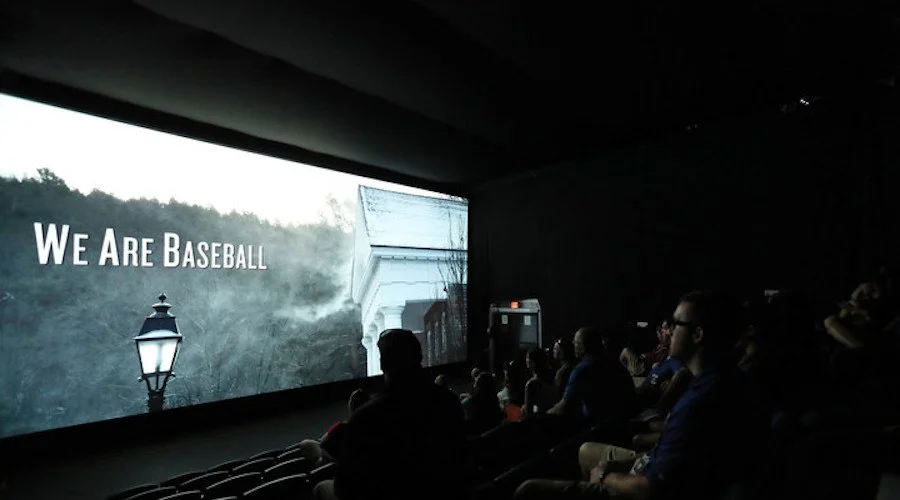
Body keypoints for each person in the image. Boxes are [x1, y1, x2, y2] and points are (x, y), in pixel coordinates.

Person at [516, 291, 765, 500]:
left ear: (698, 334)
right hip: (652, 465)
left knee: (528, 489)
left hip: (643, 486)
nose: (666, 331)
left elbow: (651, 488)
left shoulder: (701, 400)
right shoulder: (721, 382)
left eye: (676, 324)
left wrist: (606, 476)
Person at [315, 329, 467, 500]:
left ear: (382, 364)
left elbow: (346, 486)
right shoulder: (449, 401)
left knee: (321, 487)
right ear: (420, 357)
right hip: (443, 490)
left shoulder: (366, 417)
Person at [547, 327, 638, 425]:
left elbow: (563, 407)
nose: (573, 344)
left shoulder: (582, 369)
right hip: (623, 424)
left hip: (597, 428)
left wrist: (544, 416)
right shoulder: (615, 364)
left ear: (583, 347)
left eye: (575, 342)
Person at [297, 388, 370, 466]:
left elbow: (323, 445)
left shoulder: (342, 427)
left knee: (306, 444)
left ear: (351, 405)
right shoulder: (375, 427)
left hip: (332, 463)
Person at [523, 347, 558, 416]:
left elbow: (528, 412)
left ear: (532, 362)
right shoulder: (552, 378)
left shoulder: (531, 384)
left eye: (527, 358)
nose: (526, 360)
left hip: (538, 421)